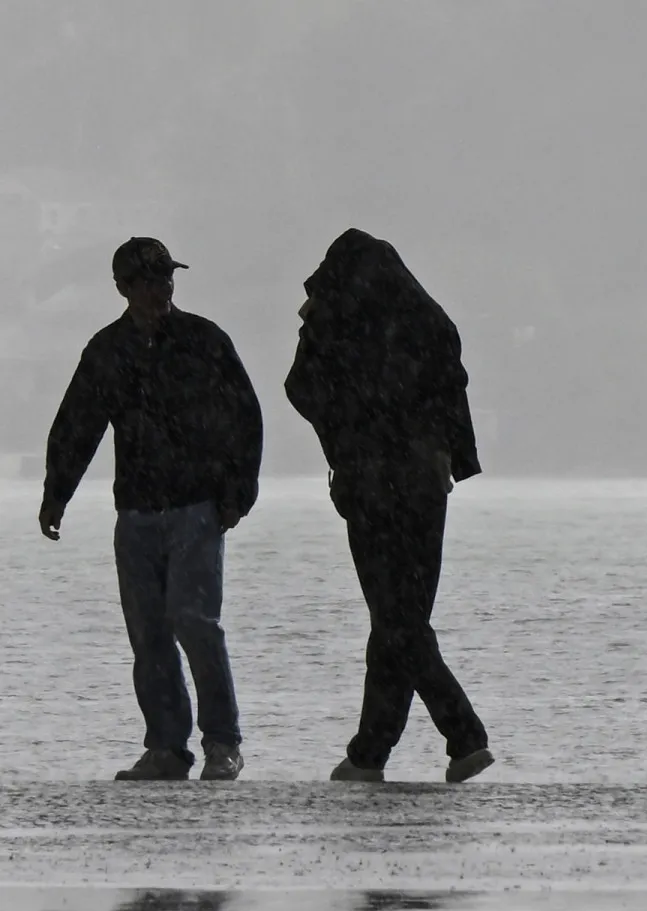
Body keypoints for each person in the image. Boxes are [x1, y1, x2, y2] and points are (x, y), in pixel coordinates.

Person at [39, 238, 262, 781]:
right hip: (136, 512)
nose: (162, 288)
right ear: (123, 287)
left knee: (194, 621)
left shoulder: (204, 340)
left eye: (166, 278)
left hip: (196, 507)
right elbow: (78, 424)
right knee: (148, 634)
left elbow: (244, 417)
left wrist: (237, 495)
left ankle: (222, 742)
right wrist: (56, 494)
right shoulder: (107, 350)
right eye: (150, 280)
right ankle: (166, 747)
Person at [285, 228, 494, 783]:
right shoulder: (427, 320)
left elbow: (299, 386)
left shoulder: (333, 319)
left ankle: (462, 734)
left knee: (394, 619)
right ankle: (371, 753)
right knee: (403, 619)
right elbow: (453, 388)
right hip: (425, 481)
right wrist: (452, 454)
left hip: (369, 481)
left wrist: (343, 430)